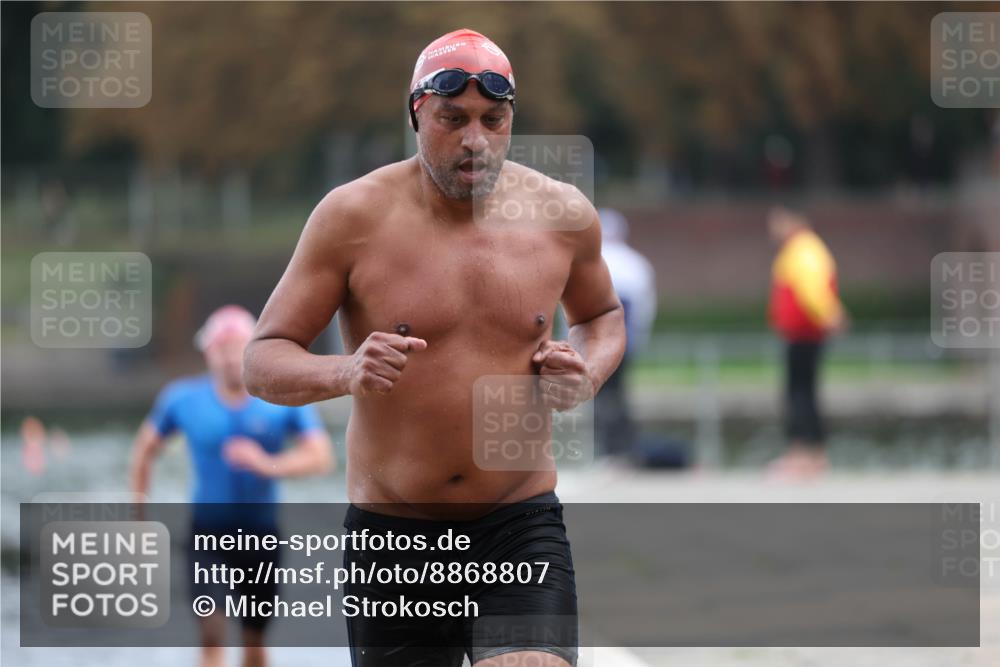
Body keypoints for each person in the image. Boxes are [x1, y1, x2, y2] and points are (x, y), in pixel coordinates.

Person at [243, 28, 626, 667]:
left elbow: (604, 316)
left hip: (517, 522)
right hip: (393, 534)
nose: (475, 140)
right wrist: (346, 370)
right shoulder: (351, 218)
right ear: (417, 113)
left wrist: (585, 372)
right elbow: (261, 360)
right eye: (453, 119)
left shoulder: (562, 215)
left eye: (492, 120)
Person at [130, 304, 334, 667]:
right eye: (219, 349)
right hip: (206, 535)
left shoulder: (278, 399)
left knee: (253, 644)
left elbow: (321, 457)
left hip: (261, 537)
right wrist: (139, 513)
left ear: (253, 351)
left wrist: (267, 463)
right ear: (208, 353)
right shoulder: (182, 399)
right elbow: (145, 449)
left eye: (236, 348)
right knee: (211, 635)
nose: (227, 359)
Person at [766, 207, 846, 479]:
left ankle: (801, 456)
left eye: (777, 222)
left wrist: (830, 315)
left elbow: (812, 290)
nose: (773, 229)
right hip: (804, 334)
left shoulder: (802, 250)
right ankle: (814, 455)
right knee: (807, 393)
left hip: (803, 334)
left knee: (798, 394)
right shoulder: (804, 249)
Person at [595, 208, 657, 457]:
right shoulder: (637, 263)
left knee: (601, 395)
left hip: (597, 340)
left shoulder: (590, 260)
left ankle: (608, 449)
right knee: (618, 395)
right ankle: (620, 448)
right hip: (625, 341)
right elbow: (645, 308)